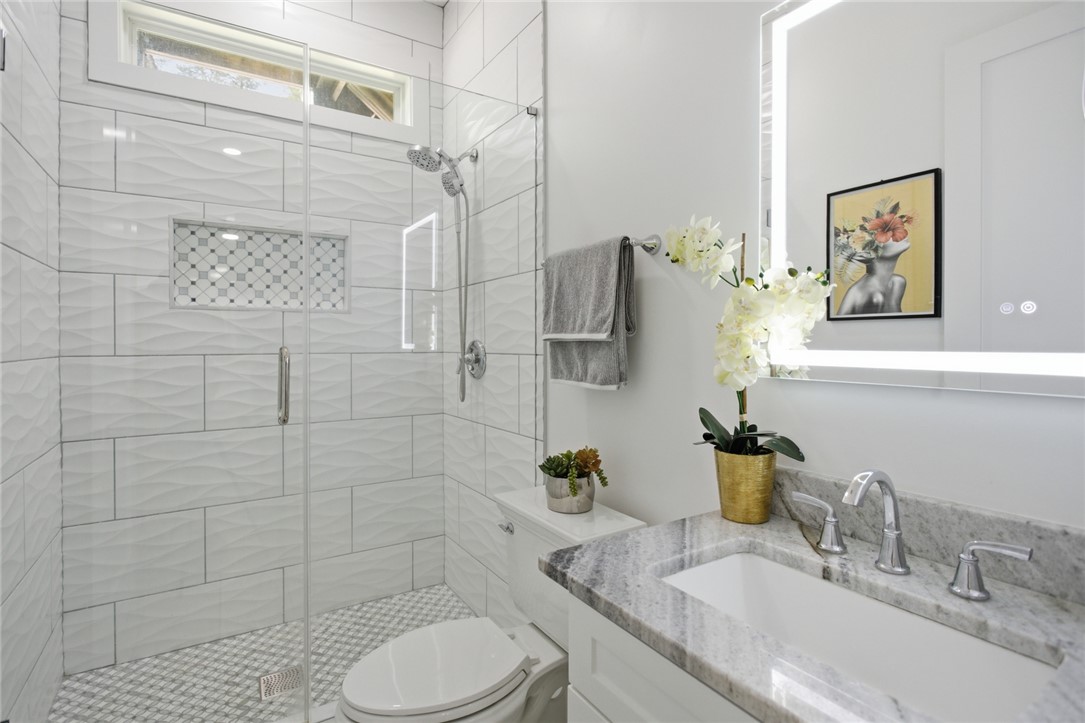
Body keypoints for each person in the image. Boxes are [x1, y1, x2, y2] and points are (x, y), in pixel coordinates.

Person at [836, 236, 910, 315]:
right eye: (886, 234)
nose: (899, 233)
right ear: (869, 253)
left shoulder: (897, 283)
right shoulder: (872, 295)